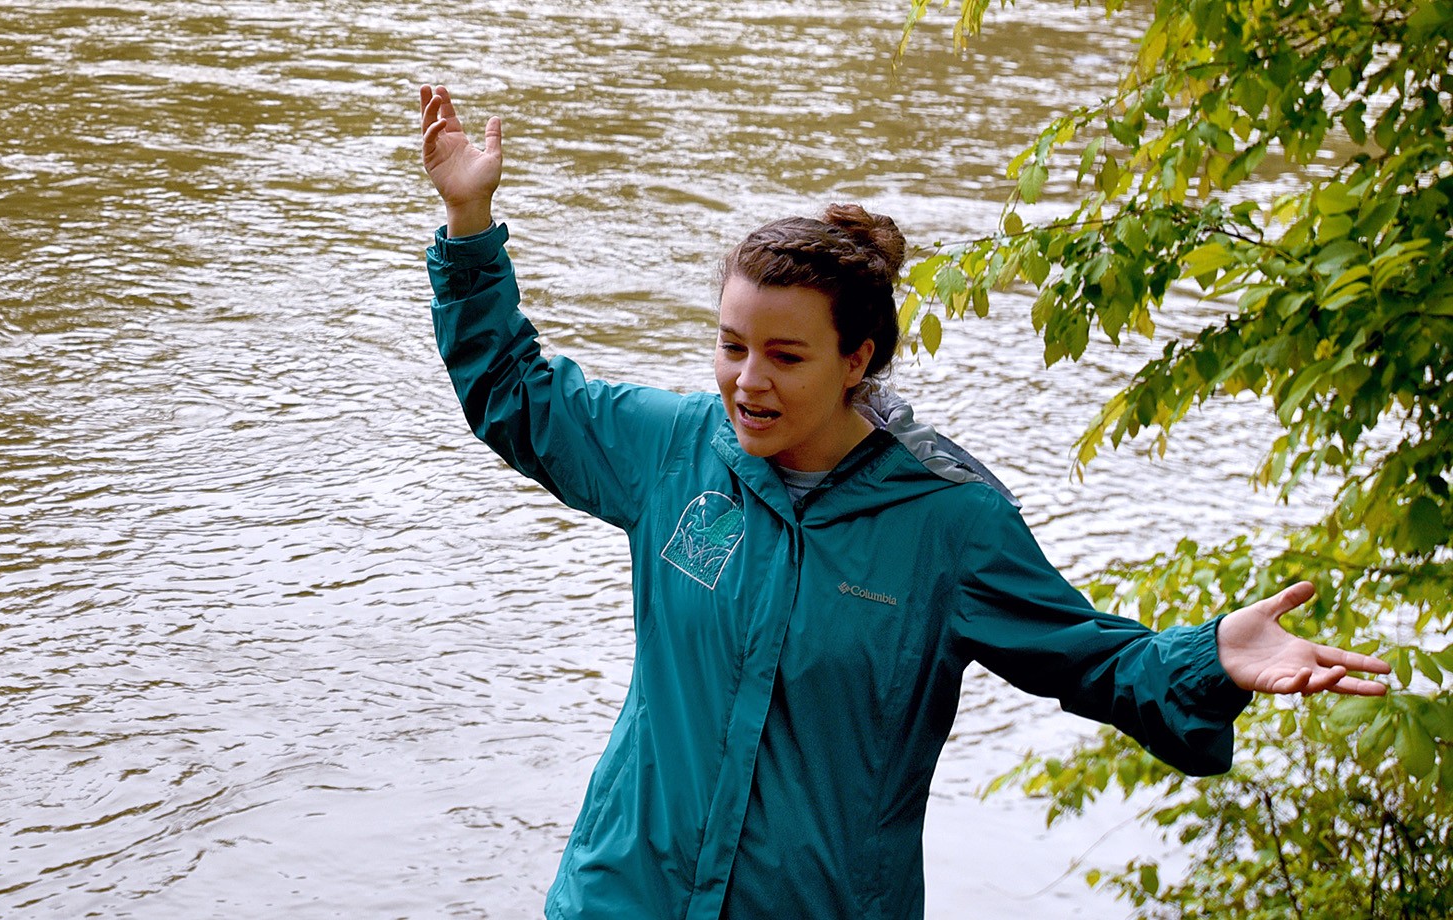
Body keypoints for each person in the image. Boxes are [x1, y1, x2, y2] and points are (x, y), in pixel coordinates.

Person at [412, 84, 1392, 920]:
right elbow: (516, 393)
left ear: (858, 359)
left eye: (785, 355)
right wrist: (468, 224)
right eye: (732, 344)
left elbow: (1089, 657)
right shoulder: (672, 448)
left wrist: (1211, 653)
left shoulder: (948, 521)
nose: (747, 381)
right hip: (622, 896)